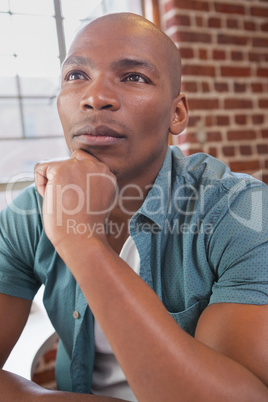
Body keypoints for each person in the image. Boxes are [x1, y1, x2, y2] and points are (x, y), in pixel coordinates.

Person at [0, 12, 267, 401]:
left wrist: (80, 240)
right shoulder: (29, 213)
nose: (95, 97)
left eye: (134, 77)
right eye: (76, 76)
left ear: (177, 113)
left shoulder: (241, 210)